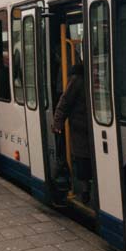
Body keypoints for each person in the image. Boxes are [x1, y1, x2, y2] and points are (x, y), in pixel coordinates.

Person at [52, 63, 91, 203]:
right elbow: (64, 102)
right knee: (83, 162)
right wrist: (58, 123)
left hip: (91, 128)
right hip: (81, 129)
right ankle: (86, 192)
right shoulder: (78, 80)